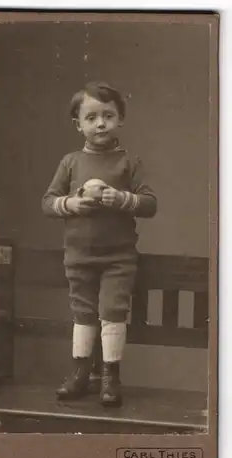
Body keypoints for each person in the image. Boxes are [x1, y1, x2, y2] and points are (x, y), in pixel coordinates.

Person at [42, 81, 157, 407]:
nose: (101, 123)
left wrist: (121, 198)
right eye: (91, 117)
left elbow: (150, 203)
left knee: (112, 312)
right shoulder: (70, 162)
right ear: (78, 124)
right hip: (79, 256)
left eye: (108, 115)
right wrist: (71, 204)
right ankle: (80, 373)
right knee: (83, 313)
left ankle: (110, 376)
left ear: (120, 118)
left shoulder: (129, 162)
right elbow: (47, 202)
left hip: (118, 257)